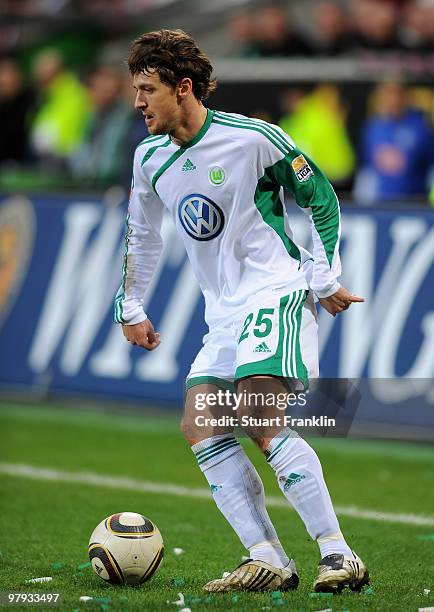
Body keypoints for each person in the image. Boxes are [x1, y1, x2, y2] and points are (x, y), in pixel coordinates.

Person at [114, 29, 369, 594]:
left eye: (147, 89)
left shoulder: (254, 138)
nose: (138, 102)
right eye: (135, 90)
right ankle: (268, 558)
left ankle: (338, 554)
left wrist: (323, 276)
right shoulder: (149, 157)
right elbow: (142, 235)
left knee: (257, 415)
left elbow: (319, 195)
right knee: (200, 426)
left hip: (274, 288)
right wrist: (131, 304)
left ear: (182, 88)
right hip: (221, 310)